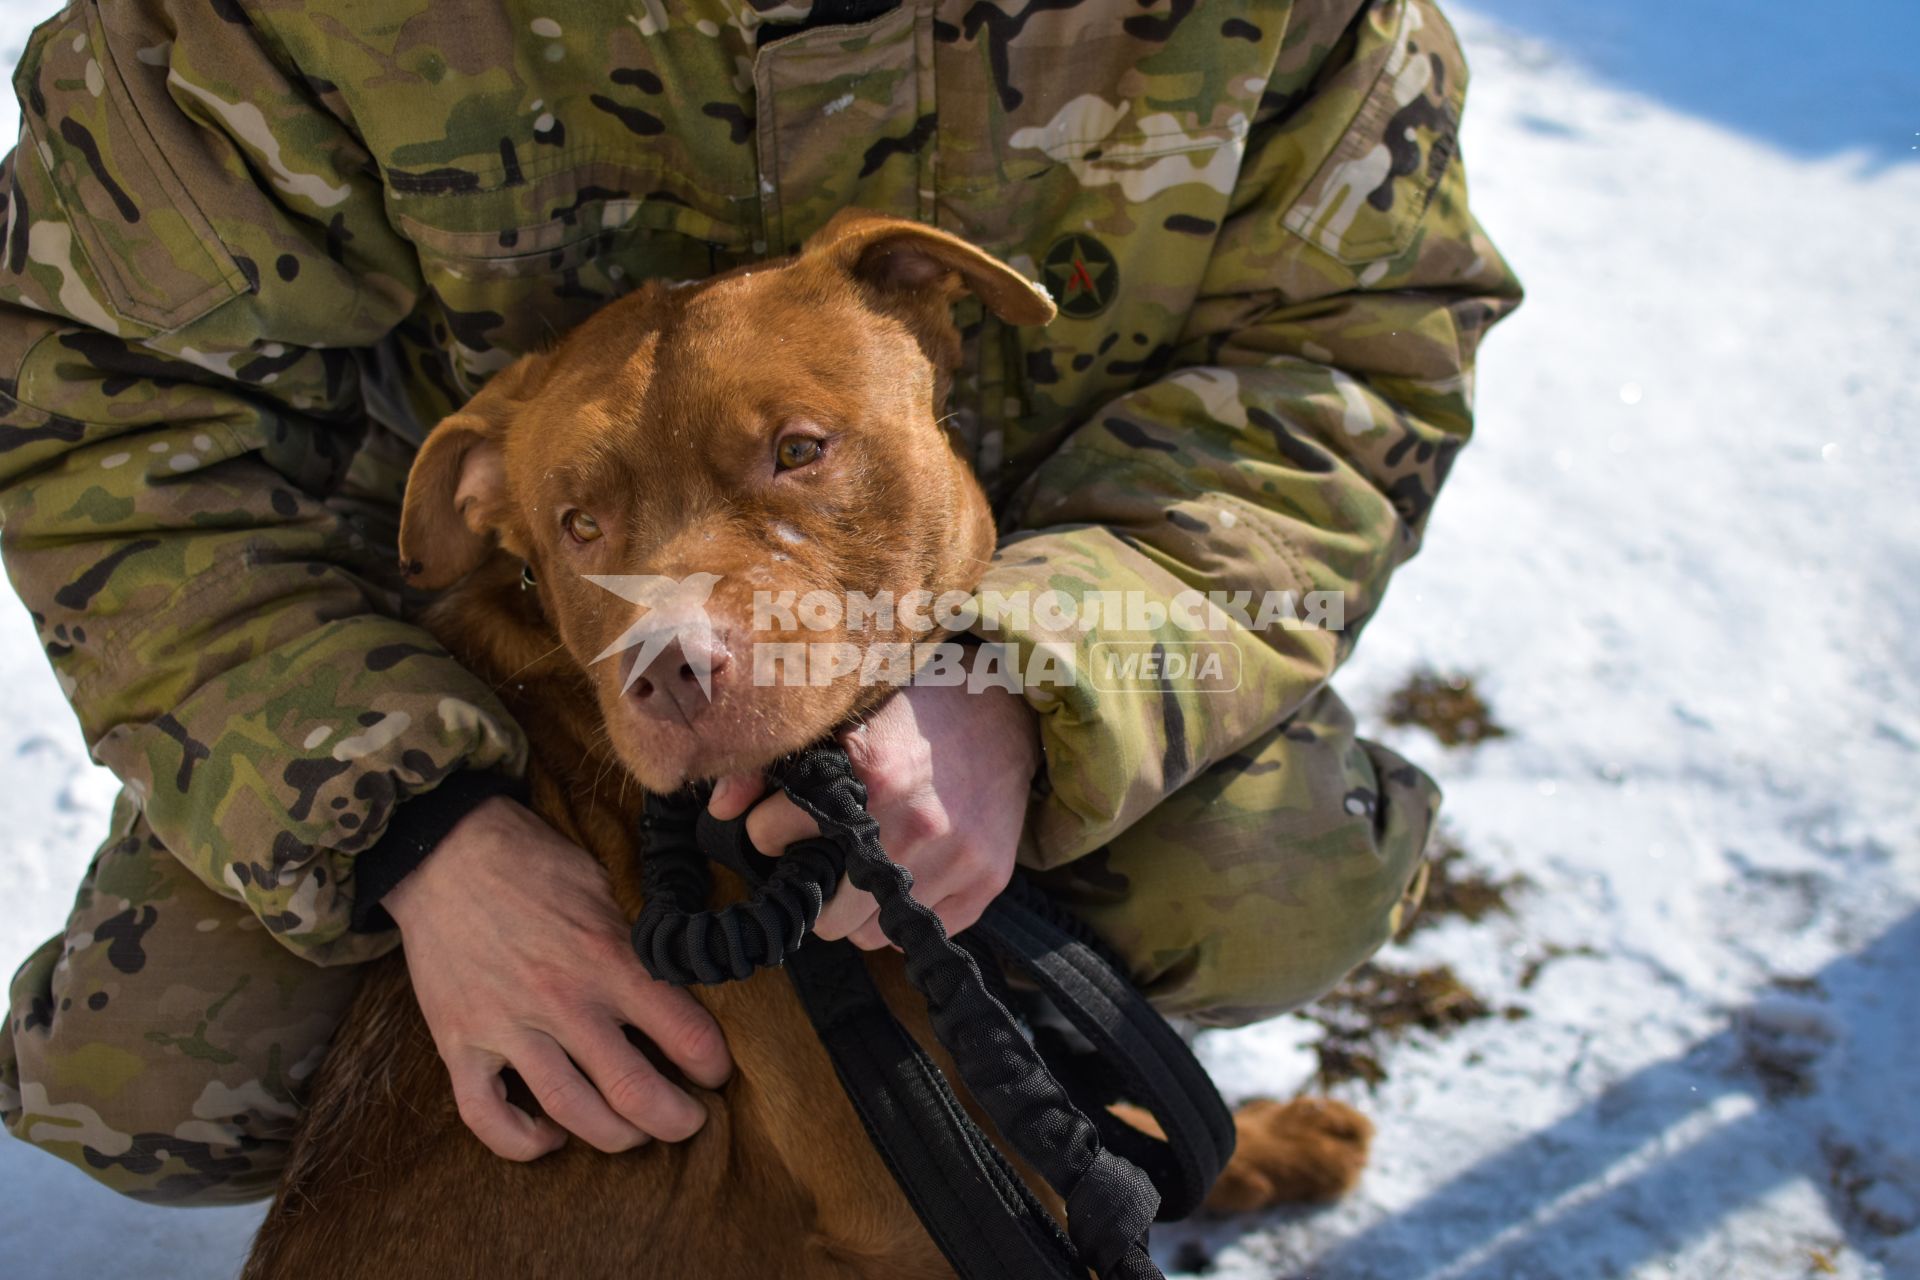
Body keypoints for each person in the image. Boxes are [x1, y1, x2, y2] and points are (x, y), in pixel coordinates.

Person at [0, 0, 1519, 1203]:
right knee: (133, 1077)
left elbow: (1347, 356)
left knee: (1269, 874)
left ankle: (1072, 1121)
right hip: (472, 678)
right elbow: (100, 429)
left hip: (1042, 579)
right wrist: (407, 831)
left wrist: (1031, 685)